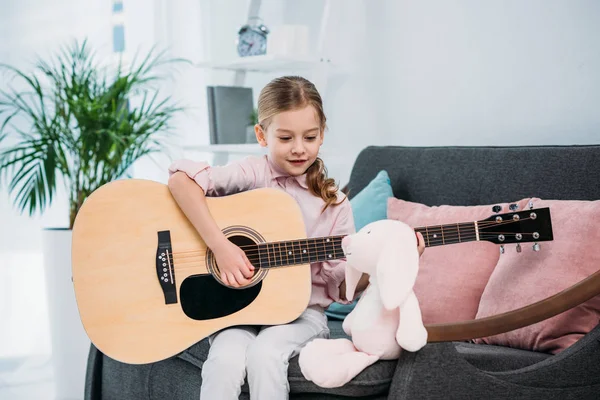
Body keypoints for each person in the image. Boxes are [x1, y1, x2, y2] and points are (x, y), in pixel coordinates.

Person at [167, 75, 425, 399]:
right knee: (224, 359)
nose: (299, 148)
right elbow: (180, 181)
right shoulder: (252, 174)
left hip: (303, 315)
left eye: (310, 137)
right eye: (286, 137)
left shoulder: (333, 204)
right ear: (262, 135)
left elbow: (342, 287)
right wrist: (221, 247)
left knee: (265, 354)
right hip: (239, 310)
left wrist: (385, 263)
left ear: (322, 135)